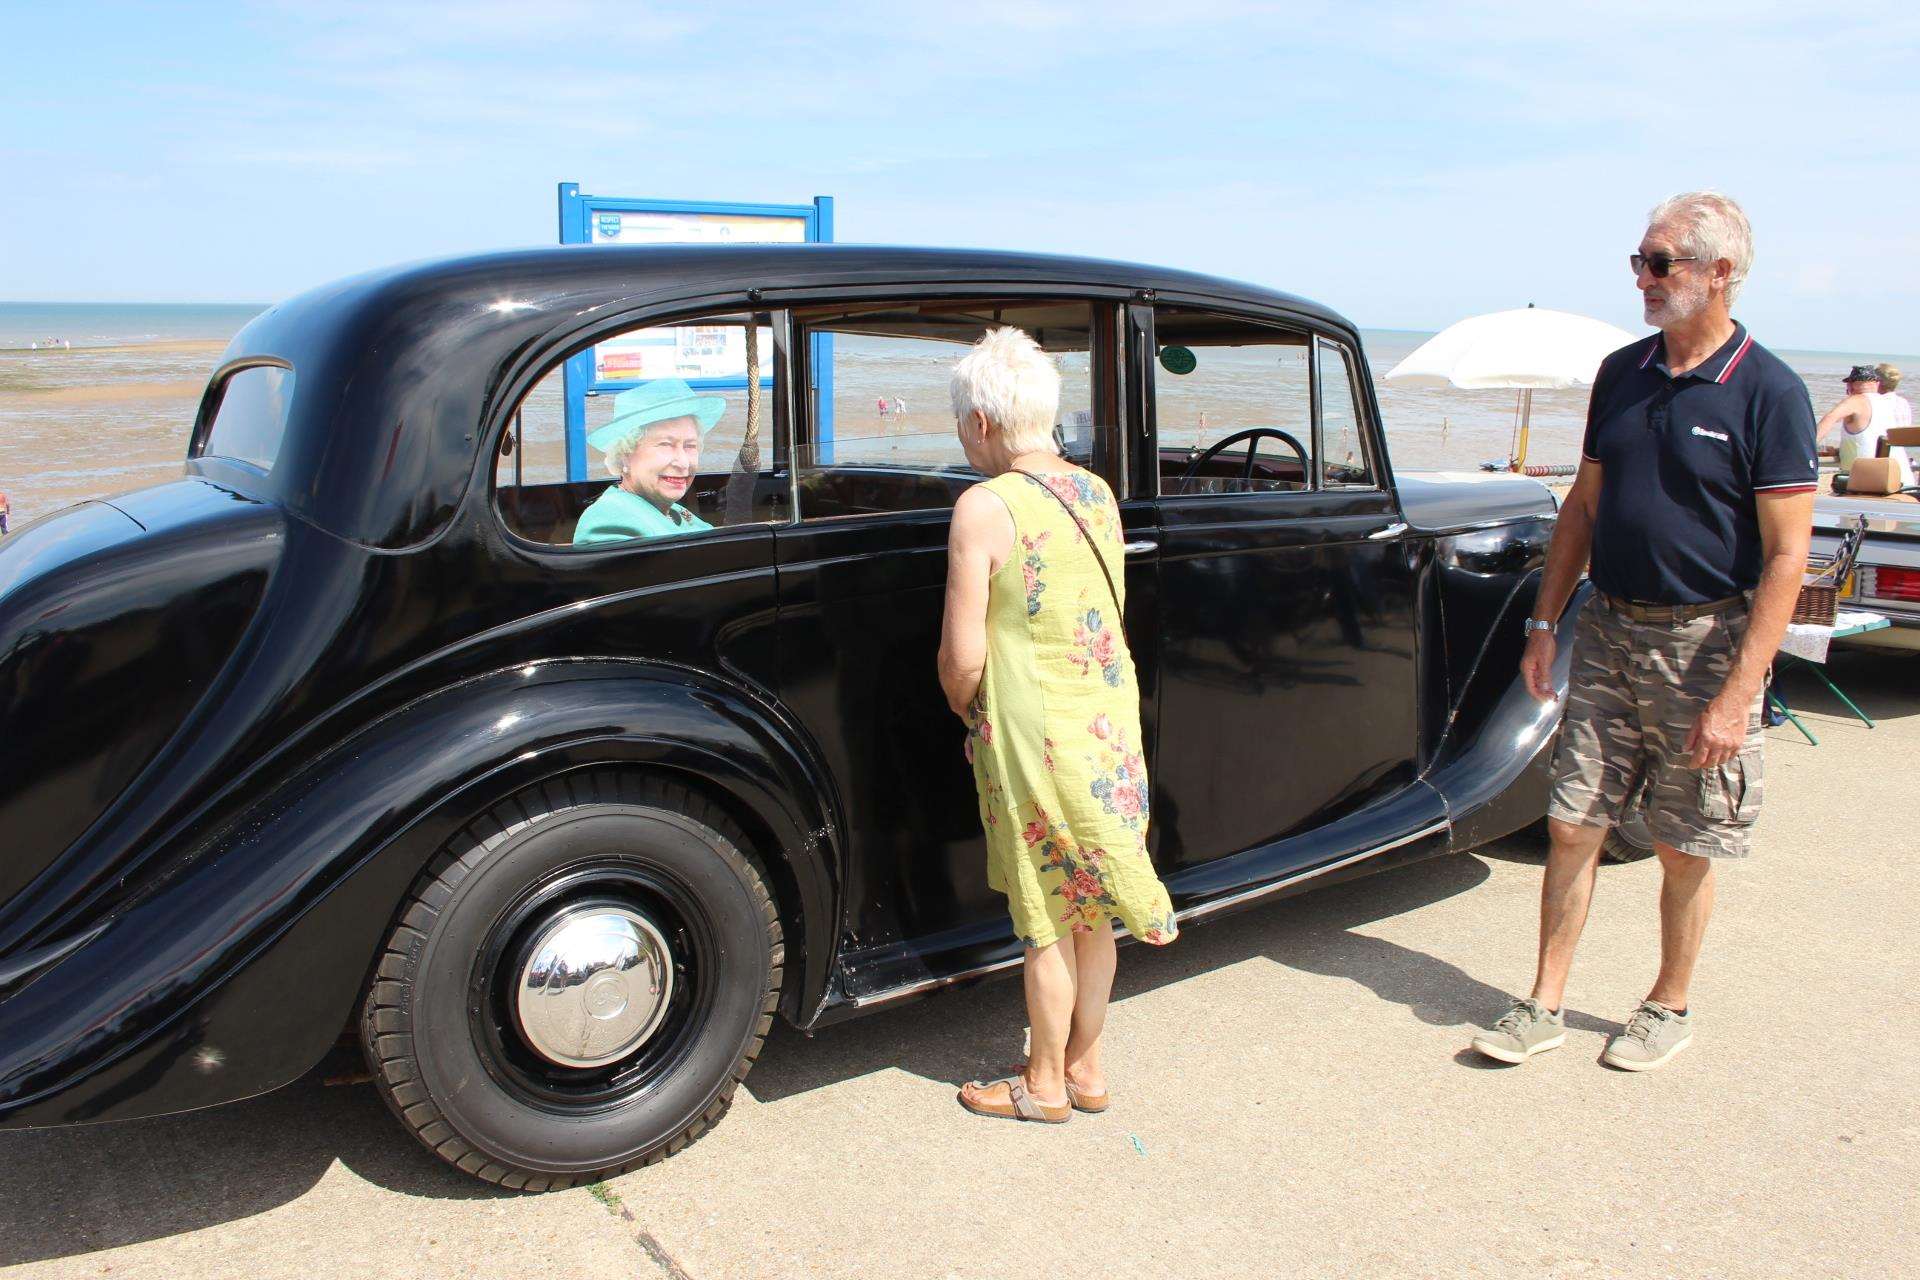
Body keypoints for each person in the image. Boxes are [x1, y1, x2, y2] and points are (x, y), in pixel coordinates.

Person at [1471, 191, 1816, 1072]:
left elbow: (1786, 561)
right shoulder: (1622, 373)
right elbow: (1582, 505)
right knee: (1572, 821)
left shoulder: (1769, 392)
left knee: (1684, 837)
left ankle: (1669, 1004)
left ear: (1720, 272)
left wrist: (1741, 692)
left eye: (1660, 264)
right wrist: (1544, 623)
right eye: (1639, 261)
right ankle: (1544, 1001)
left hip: (1708, 642)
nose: (1644, 280)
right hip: (1610, 630)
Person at [938, 327, 1177, 1123]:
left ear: (980, 422)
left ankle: (1042, 1087)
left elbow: (962, 656)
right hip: (1105, 727)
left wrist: (967, 709)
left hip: (1033, 734)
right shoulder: (1097, 493)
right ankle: (1087, 1066)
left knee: (1044, 917)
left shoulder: (983, 506)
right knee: (1092, 908)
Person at [572, 378, 721, 544]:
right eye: (665, 444)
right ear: (624, 454)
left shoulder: (670, 509)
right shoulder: (609, 521)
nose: (684, 463)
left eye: (690, 445)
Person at [1816, 365, 1914, 486]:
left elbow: (1829, 419)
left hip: (1873, 484)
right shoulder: (1889, 403)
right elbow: (1871, 440)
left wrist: (1806, 446)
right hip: (1903, 479)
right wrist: (1839, 451)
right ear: (1877, 384)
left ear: (1850, 386)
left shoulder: (1855, 401)